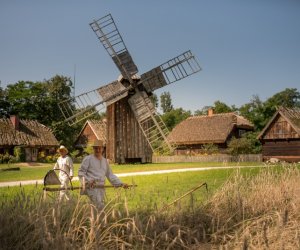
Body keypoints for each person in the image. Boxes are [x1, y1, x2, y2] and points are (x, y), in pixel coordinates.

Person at [78, 139, 128, 210]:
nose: (98, 150)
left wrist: (121, 183)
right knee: (99, 206)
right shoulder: (88, 159)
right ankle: (98, 219)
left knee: (98, 206)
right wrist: (88, 181)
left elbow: (110, 175)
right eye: (96, 148)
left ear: (102, 149)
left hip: (101, 187)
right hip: (91, 187)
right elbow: (81, 172)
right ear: (93, 149)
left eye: (99, 148)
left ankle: (97, 219)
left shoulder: (105, 161)